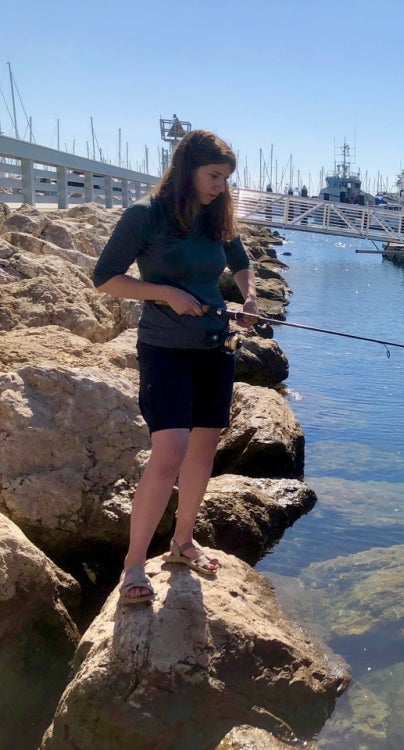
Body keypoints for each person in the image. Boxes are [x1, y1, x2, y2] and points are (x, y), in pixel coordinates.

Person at [92, 129, 258, 604]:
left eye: (226, 178)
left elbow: (240, 258)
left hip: (215, 347)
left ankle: (183, 542)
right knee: (170, 451)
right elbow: (106, 279)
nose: (220, 186)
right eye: (213, 176)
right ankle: (133, 565)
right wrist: (164, 292)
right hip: (164, 350)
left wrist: (248, 296)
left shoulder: (216, 217)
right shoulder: (145, 216)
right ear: (187, 170)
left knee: (204, 449)